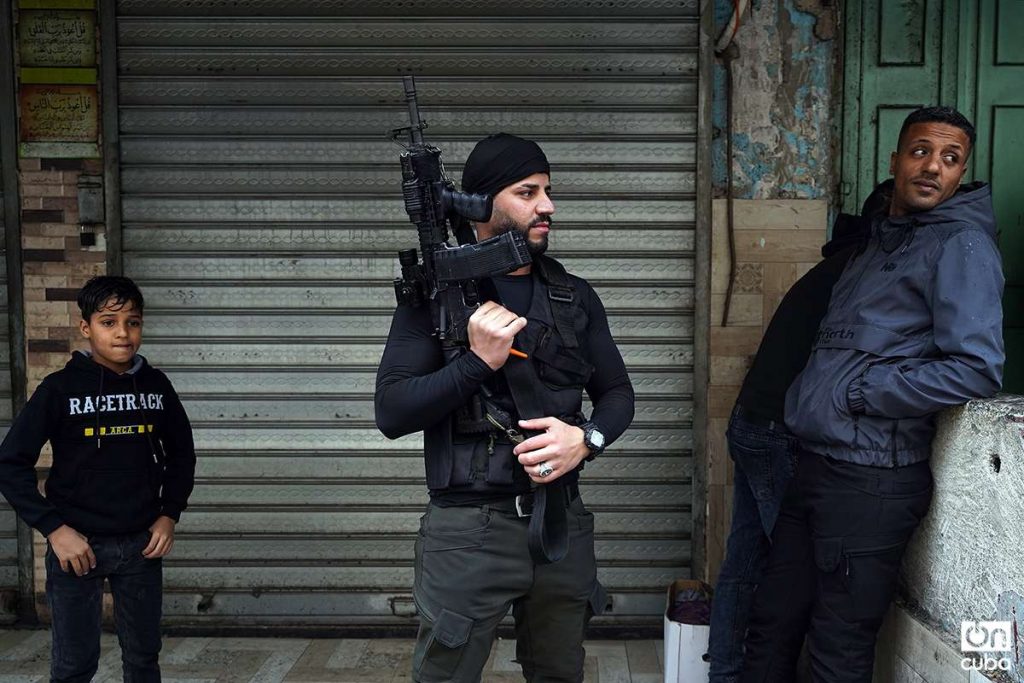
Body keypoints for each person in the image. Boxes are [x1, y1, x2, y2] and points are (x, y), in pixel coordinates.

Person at [741, 106, 1004, 682]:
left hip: (872, 482)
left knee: (837, 649)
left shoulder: (960, 246)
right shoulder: (878, 245)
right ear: (896, 160)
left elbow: (978, 368)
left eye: (950, 158)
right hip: (815, 467)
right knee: (770, 625)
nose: (933, 167)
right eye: (920, 152)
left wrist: (865, 390)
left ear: (962, 173)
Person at [375, 133, 635, 682]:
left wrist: (587, 440)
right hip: (470, 532)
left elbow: (618, 395)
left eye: (547, 190)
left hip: (561, 524)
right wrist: (476, 361)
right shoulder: (435, 298)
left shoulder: (574, 294)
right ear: (481, 204)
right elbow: (392, 413)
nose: (547, 206)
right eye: (528, 191)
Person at [707, 193, 882, 681]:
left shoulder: (835, 267)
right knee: (793, 571)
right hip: (777, 433)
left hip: (753, 424)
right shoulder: (863, 275)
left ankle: (725, 671)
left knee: (745, 560)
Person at [0, 276, 197, 682]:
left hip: (141, 546)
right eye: (109, 322)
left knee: (143, 660)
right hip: (78, 548)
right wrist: (55, 530)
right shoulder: (60, 389)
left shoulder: (157, 387)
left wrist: (168, 515)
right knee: (74, 665)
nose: (123, 332)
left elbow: (182, 455)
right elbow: (10, 463)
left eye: (133, 321)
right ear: (86, 327)